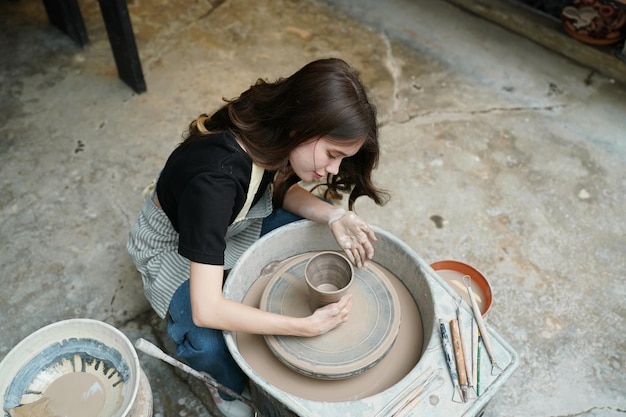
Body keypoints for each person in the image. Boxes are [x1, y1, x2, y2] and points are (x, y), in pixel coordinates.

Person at [127, 57, 388, 417]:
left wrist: (334, 216)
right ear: (303, 126)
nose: (333, 169)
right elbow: (207, 309)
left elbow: (276, 191)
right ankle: (226, 391)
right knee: (209, 342)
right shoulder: (216, 181)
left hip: (233, 220)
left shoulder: (276, 126)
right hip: (172, 248)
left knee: (317, 233)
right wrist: (301, 327)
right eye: (332, 154)